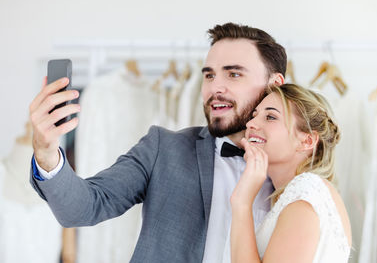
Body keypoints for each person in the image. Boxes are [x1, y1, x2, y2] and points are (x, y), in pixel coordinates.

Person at [28, 22, 286, 262]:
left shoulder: (303, 167)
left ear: (275, 84)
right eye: (209, 76)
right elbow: (83, 207)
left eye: (233, 75)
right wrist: (46, 152)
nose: (214, 88)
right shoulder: (163, 148)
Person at [230, 83, 352, 263]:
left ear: (307, 141)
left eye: (270, 117)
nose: (250, 123)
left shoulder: (305, 193)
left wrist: (242, 203)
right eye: (254, 115)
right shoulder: (301, 192)